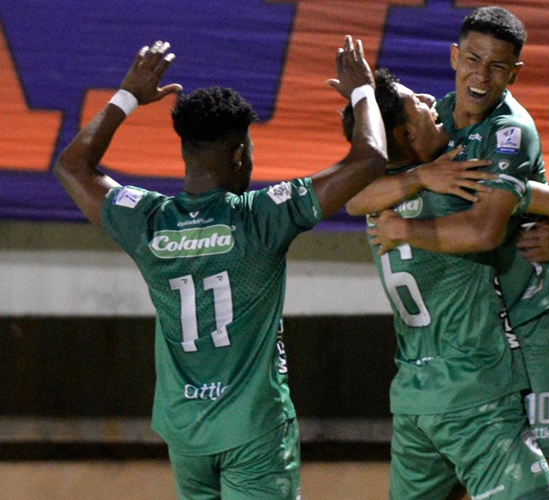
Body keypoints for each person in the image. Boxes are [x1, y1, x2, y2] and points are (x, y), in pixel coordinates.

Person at [54, 37, 387, 500]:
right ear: (238, 153)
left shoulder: (146, 220)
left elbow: (73, 166)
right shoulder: (261, 218)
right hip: (253, 430)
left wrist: (127, 95)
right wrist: (363, 90)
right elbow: (370, 157)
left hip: (186, 430)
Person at [348, 6, 549, 500]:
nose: (481, 75)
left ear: (514, 73)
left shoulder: (509, 130)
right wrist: (413, 173)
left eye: (497, 66)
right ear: (454, 57)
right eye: (473, 60)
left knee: (548, 467)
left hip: (528, 316)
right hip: (471, 339)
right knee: (466, 474)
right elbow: (352, 197)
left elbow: (490, 228)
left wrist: (404, 228)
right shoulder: (437, 122)